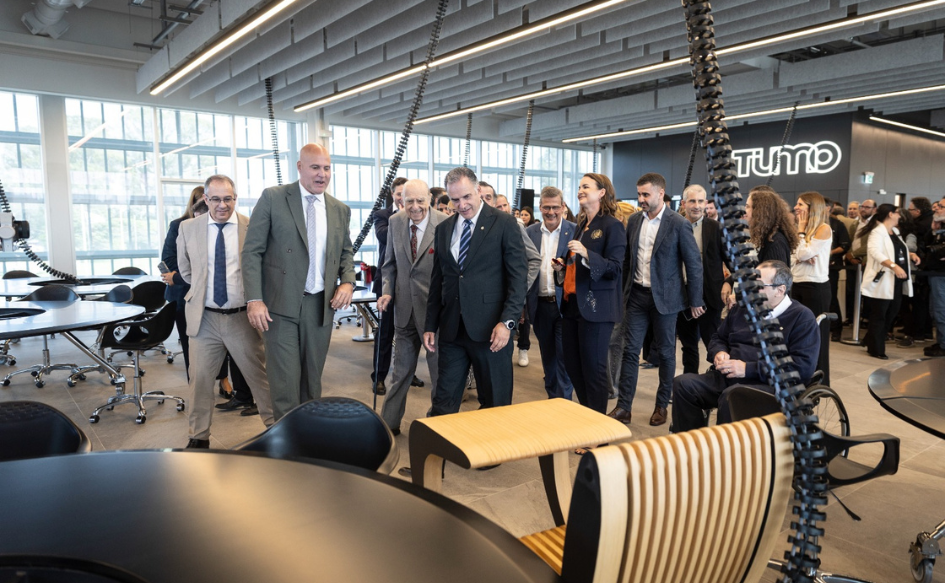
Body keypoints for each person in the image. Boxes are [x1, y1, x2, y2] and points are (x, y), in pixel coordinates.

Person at [242, 143, 356, 420]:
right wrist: (254, 299)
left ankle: (308, 437)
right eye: (315, 167)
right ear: (300, 167)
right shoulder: (273, 198)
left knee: (312, 381)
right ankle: (286, 445)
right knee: (285, 382)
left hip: (320, 306)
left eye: (327, 168)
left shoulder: (339, 209)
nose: (322, 174)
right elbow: (251, 251)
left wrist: (348, 282)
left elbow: (345, 252)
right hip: (280, 306)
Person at [176, 175, 274, 448]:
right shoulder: (188, 228)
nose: (222, 205)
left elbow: (263, 268)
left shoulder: (251, 226)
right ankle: (198, 437)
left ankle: (277, 430)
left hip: (242, 317)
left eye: (228, 199)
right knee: (200, 383)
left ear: (235, 198)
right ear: (205, 199)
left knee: (260, 378)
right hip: (204, 318)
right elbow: (186, 271)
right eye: (216, 199)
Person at [423, 167, 527, 414]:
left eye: (467, 196)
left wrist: (508, 323)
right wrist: (430, 324)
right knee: (443, 402)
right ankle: (441, 452)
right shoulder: (444, 229)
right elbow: (439, 280)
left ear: (478, 190)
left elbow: (518, 278)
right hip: (452, 330)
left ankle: (491, 453)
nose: (462, 204)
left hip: (492, 332)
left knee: (494, 405)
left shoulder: (504, 223)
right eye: (455, 200)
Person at [671, 260, 820, 432]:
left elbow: (802, 368)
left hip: (769, 387)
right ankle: (692, 447)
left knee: (733, 396)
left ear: (780, 290)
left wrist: (748, 369)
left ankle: (726, 454)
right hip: (729, 377)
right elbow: (718, 337)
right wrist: (719, 352)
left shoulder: (801, 318)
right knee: (683, 385)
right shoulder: (742, 309)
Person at [609, 172, 703, 427]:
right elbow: (628, 260)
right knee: (630, 351)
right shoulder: (635, 221)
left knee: (665, 352)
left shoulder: (678, 223)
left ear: (661, 193)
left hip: (667, 299)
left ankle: (662, 406)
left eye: (645, 194)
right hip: (637, 295)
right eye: (639, 194)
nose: (641, 199)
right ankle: (624, 407)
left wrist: (695, 301)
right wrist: (623, 293)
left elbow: (694, 265)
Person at [376, 180, 447, 434]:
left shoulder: (445, 223)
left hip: (434, 313)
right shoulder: (395, 222)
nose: (415, 207)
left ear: (429, 198)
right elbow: (389, 264)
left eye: (420, 201)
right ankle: (388, 426)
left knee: (439, 373)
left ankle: (438, 427)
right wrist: (386, 291)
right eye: (409, 201)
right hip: (403, 310)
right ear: (400, 201)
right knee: (400, 372)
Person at [554, 174, 626, 413]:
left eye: (586, 186)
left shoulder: (612, 226)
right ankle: (589, 422)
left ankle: (599, 434)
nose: (580, 190)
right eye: (579, 187)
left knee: (593, 371)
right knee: (574, 368)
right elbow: (578, 265)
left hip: (597, 309)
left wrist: (587, 254)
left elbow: (615, 268)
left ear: (602, 192)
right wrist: (562, 267)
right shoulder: (581, 226)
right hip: (572, 304)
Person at [481, 184, 540, 368]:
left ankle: (523, 348)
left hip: (505, 301)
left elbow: (534, 259)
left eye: (501, 205)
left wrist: (519, 291)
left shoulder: (511, 224)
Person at [526, 186, 575, 400]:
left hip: (565, 305)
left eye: (556, 207)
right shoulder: (530, 233)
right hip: (539, 306)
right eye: (547, 207)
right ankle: (552, 399)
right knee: (548, 357)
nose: (551, 212)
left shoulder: (575, 231)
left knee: (564, 357)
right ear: (540, 207)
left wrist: (565, 267)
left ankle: (563, 403)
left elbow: (581, 267)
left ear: (563, 207)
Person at [721, 186, 800, 308]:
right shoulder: (760, 236)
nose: (744, 211)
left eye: (747, 206)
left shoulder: (774, 242)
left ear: (760, 211)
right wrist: (729, 281)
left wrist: (739, 297)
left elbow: (771, 285)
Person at [859, 204, 918, 359]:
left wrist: (910, 254)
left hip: (897, 281)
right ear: (890, 214)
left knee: (892, 313)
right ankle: (876, 349)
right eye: (898, 213)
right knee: (880, 315)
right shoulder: (877, 232)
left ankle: (871, 340)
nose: (900, 216)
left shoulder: (896, 232)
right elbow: (874, 252)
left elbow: (896, 249)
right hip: (883, 280)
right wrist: (894, 266)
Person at [677, 184, 725, 375]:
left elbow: (731, 262)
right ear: (683, 203)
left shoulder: (717, 229)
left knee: (714, 345)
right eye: (692, 201)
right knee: (688, 346)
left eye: (700, 201)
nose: (696, 205)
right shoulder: (675, 226)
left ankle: (719, 384)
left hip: (710, 298)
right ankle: (688, 386)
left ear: (706, 203)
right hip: (681, 297)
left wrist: (729, 284)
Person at [370, 177, 407, 396]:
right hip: (387, 283)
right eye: (400, 193)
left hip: (409, 284)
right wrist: (402, 215)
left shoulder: (418, 215)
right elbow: (384, 236)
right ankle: (379, 377)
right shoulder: (383, 215)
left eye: (406, 193)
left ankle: (406, 374)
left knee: (408, 333)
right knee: (385, 334)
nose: (403, 197)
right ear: (392, 194)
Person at [791, 191, 833, 380]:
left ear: (811, 207)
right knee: (798, 336)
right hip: (796, 285)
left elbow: (800, 255)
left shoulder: (823, 229)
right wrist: (803, 255)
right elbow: (792, 257)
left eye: (800, 204)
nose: (796, 207)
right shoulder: (798, 229)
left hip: (816, 289)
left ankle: (819, 382)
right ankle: (801, 377)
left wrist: (800, 232)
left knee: (817, 337)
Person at [923, 197, 945, 357]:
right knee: (936, 311)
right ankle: (941, 342)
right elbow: (927, 247)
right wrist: (933, 230)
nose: (936, 209)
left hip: (941, 275)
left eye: (941, 207)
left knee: (941, 310)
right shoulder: (939, 227)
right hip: (935, 274)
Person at [827, 201, 852, 342]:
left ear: (828, 208)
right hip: (815, 267)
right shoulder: (811, 224)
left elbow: (845, 246)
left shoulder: (837, 224)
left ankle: (837, 328)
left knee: (832, 298)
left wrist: (828, 252)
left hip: (832, 266)